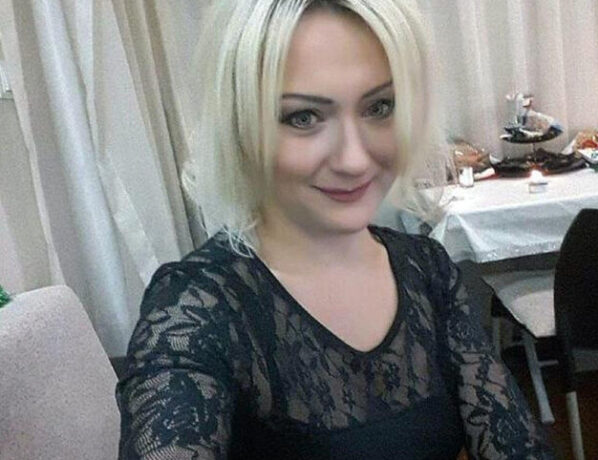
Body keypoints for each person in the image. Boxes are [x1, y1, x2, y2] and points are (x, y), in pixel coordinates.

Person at [117, 1, 555, 458]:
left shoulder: (426, 269)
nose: (354, 160)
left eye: (379, 107)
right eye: (303, 117)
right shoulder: (195, 307)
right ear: (241, 126)